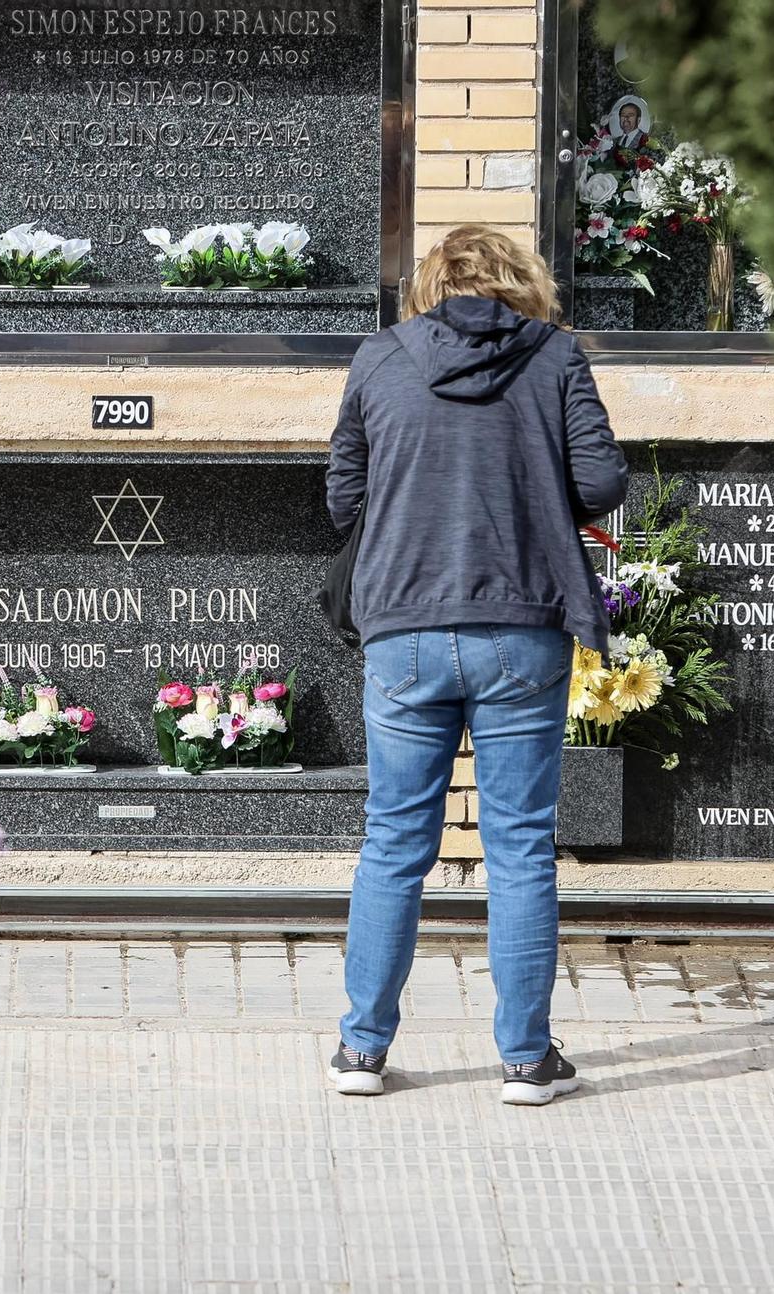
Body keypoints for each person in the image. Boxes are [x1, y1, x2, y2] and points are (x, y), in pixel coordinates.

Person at [326, 225, 628, 1104]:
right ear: (522, 283)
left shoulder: (379, 359)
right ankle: (527, 1061)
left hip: (405, 626)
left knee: (392, 843)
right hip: (522, 624)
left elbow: (342, 494)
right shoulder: (558, 359)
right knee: (522, 848)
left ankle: (362, 1052)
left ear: (430, 286)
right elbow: (604, 484)